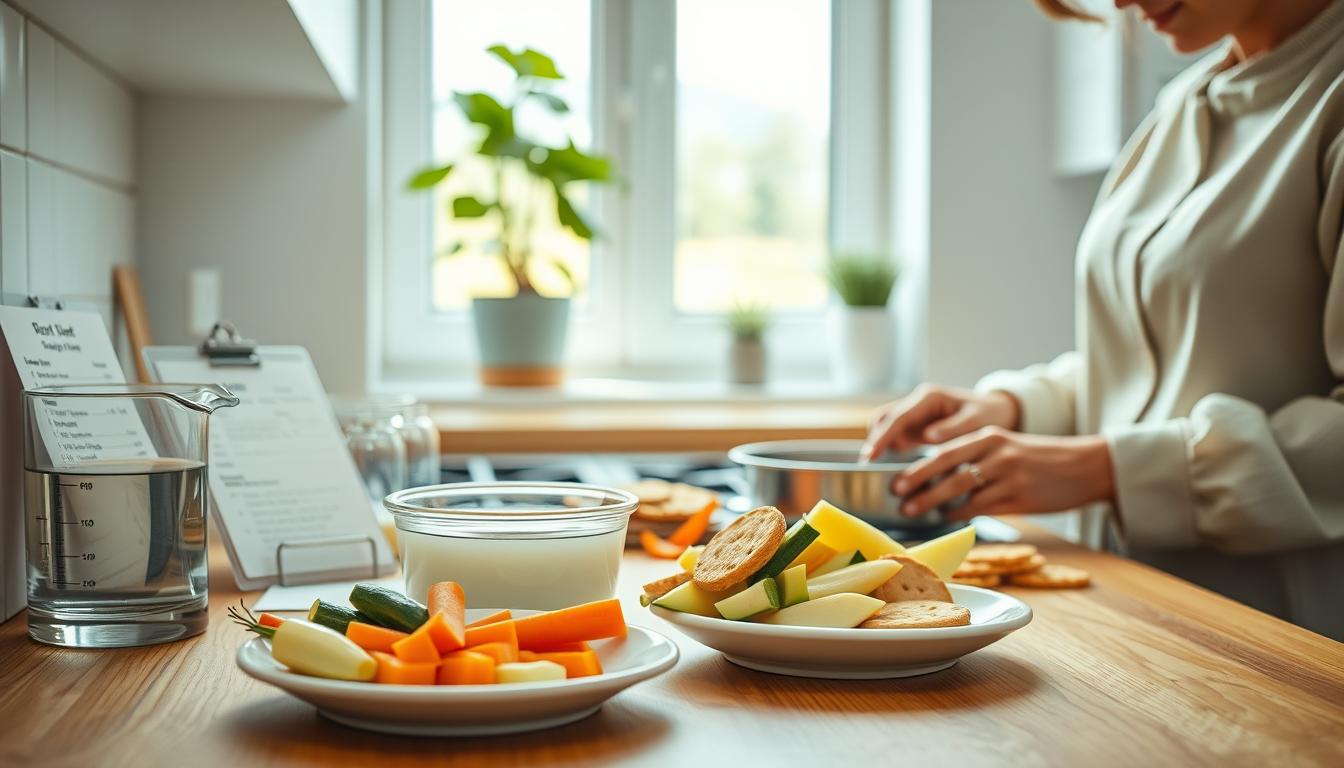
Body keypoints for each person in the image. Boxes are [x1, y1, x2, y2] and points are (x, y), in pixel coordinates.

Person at [862, 0, 1344, 640]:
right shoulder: (1184, 103)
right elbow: (1160, 357)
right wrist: (1017, 408)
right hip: (1137, 616)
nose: (1117, 3)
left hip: (1286, 644)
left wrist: (1107, 468)